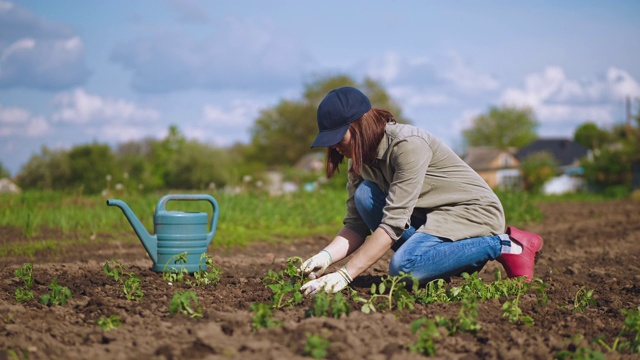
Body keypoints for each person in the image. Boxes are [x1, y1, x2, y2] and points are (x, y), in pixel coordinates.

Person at [299, 86, 543, 295]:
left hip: (470, 212)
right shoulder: (359, 161)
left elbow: (393, 224)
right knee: (365, 195)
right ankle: (437, 265)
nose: (334, 146)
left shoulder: (407, 145)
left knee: (404, 269)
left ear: (359, 125)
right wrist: (325, 257)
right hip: (431, 218)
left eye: (338, 137)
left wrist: (345, 275)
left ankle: (505, 243)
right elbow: (355, 225)